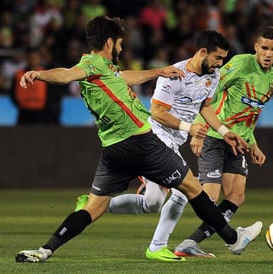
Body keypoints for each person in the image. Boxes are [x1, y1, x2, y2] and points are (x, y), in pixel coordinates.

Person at [14, 15, 255, 263]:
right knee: (192, 188)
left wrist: (158, 71)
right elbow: (66, 75)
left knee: (94, 208)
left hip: (113, 150)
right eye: (119, 43)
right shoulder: (90, 67)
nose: (121, 47)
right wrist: (39, 74)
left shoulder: (100, 67)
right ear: (109, 42)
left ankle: (44, 250)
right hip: (143, 142)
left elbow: (124, 77)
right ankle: (233, 239)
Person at [75, 29, 262, 262]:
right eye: (218, 58)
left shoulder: (212, 76)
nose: (220, 63)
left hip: (175, 140)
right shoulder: (174, 74)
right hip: (156, 137)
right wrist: (190, 128)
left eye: (223, 59)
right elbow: (157, 113)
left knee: (152, 203)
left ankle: (95, 206)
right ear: (203, 52)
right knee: (185, 192)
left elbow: (204, 107)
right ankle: (159, 246)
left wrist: (225, 132)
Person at [173, 26, 273, 257]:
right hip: (215, 135)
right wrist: (198, 132)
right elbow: (206, 95)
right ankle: (181, 195)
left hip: (238, 142)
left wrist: (253, 144)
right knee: (210, 197)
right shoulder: (240, 64)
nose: (268, 54)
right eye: (264, 48)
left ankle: (190, 243)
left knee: (236, 195)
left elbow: (250, 114)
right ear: (256, 47)